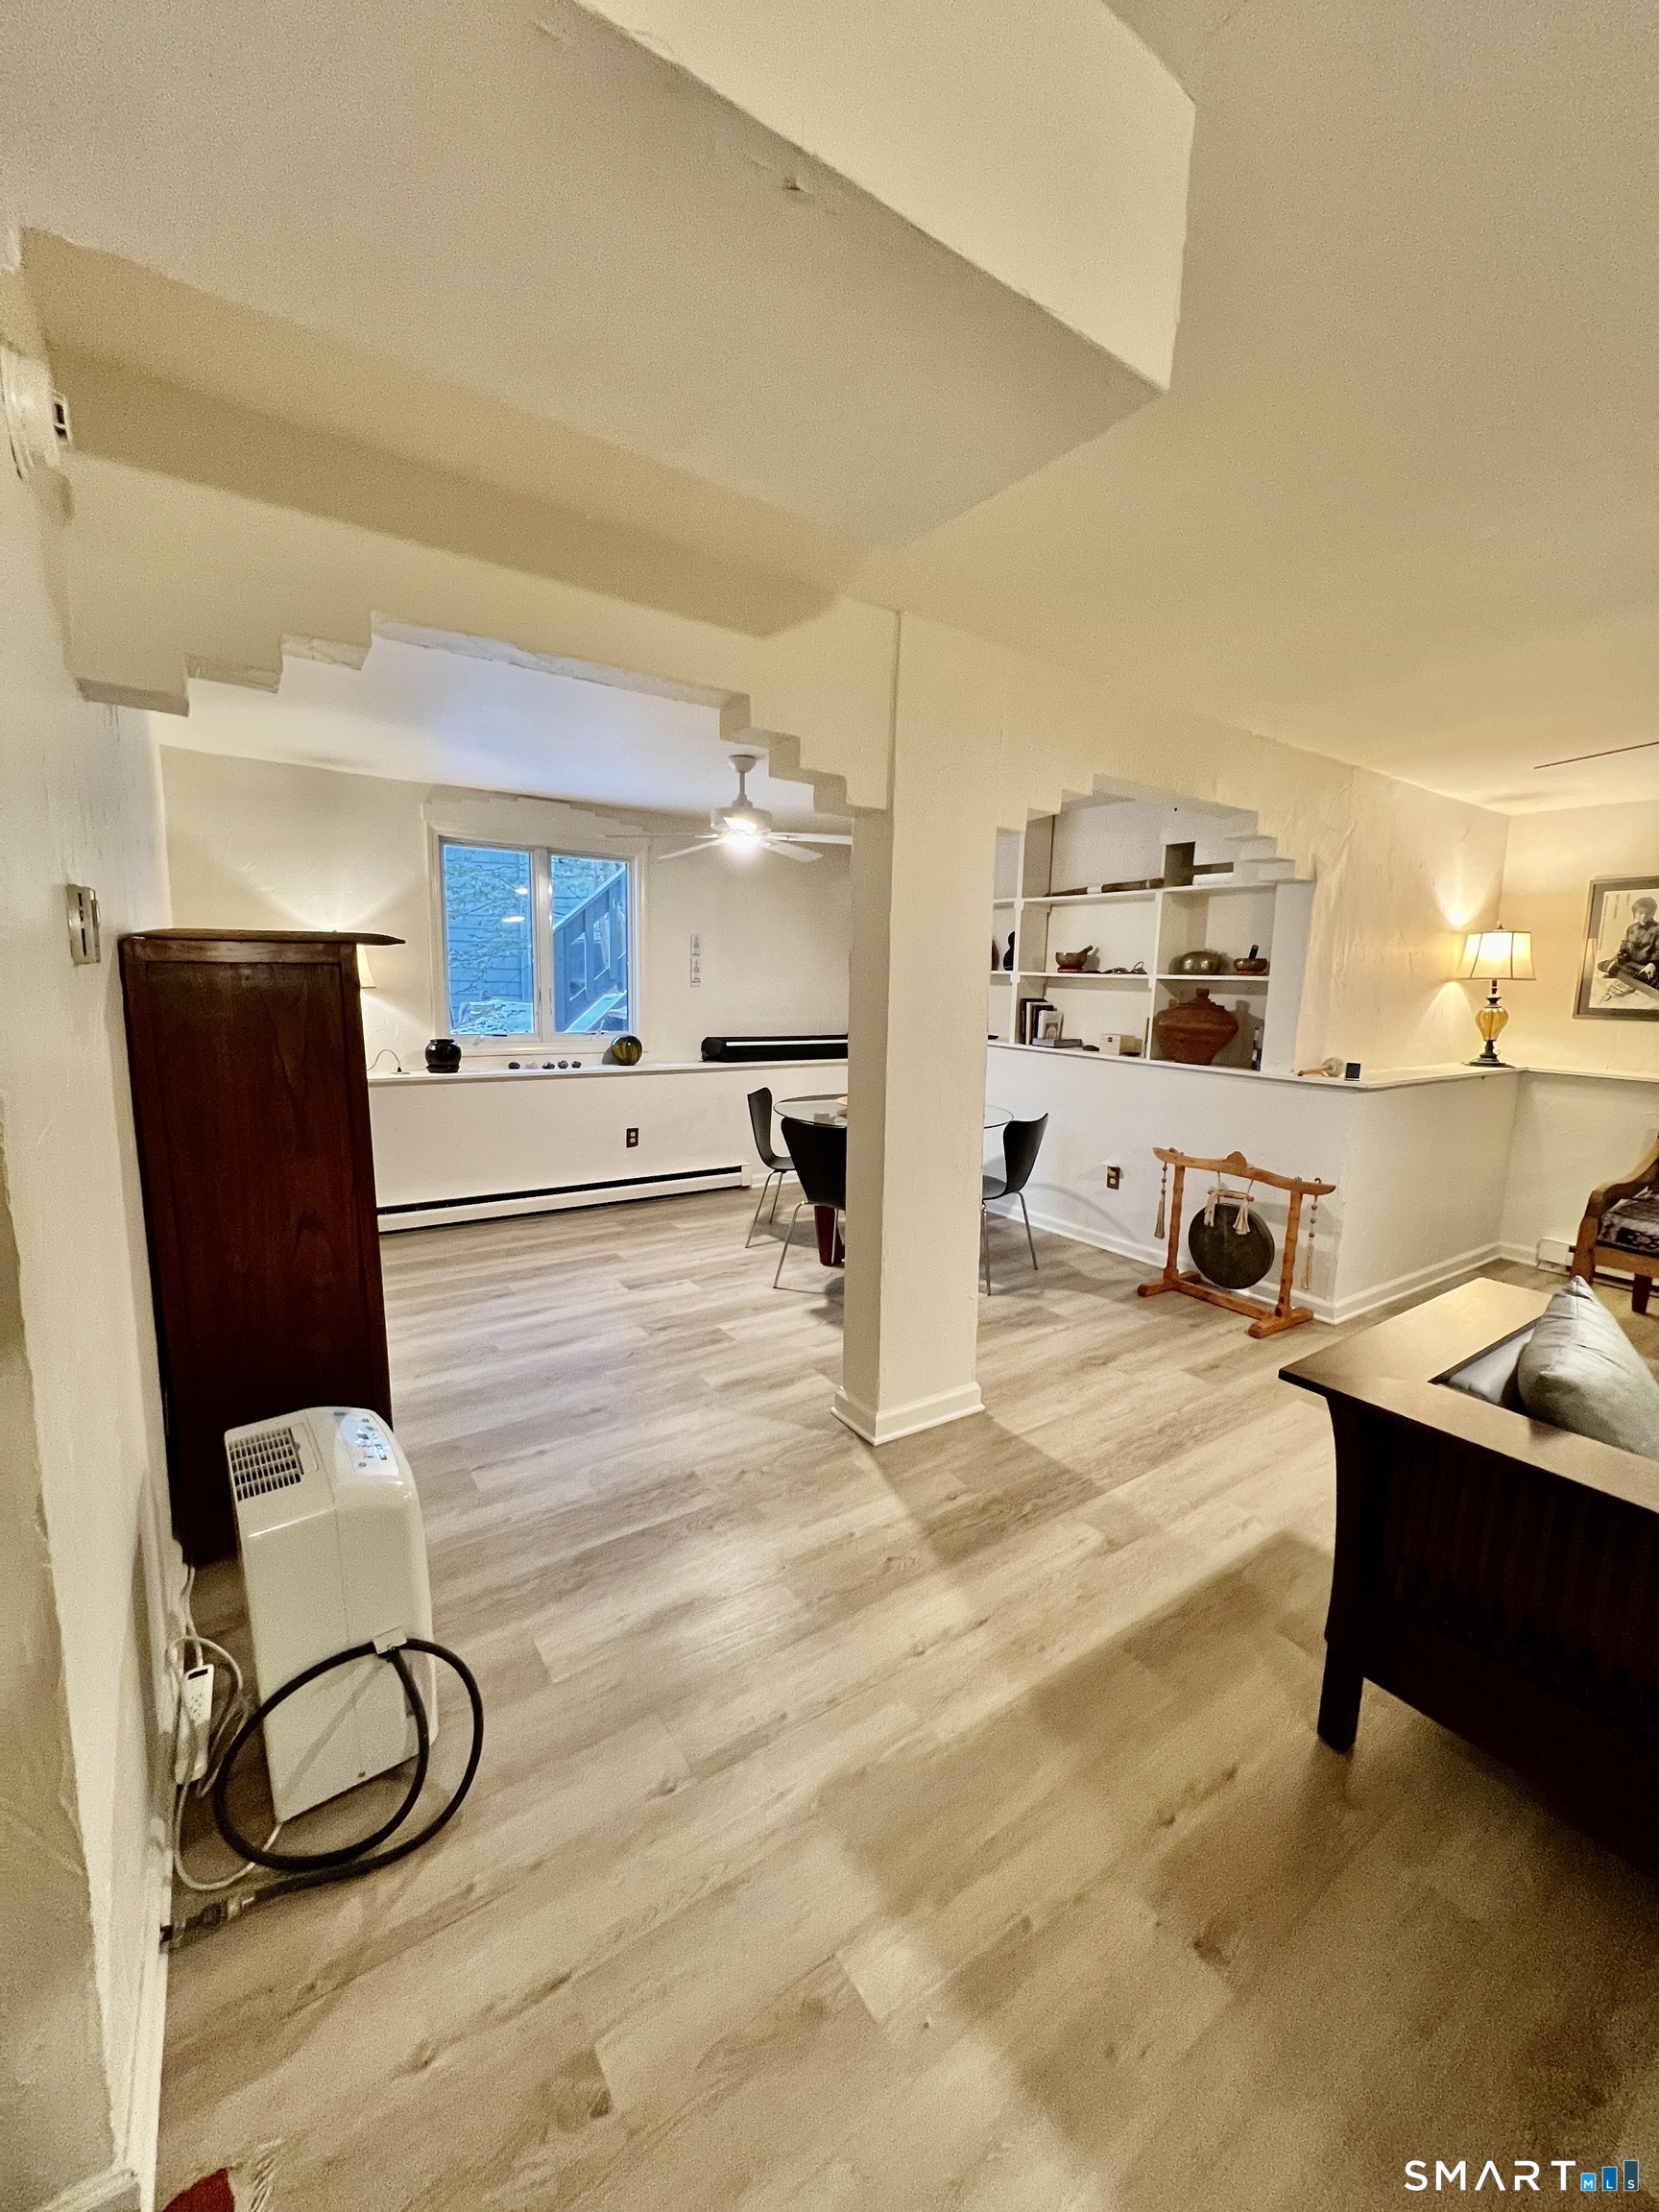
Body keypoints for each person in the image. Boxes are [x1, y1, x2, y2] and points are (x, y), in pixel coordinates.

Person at [1599, 895, 1659, 989]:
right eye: (1640, 913)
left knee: (1650, 980)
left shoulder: (1657, 929)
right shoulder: (1631, 928)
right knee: (1602, 965)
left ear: (1653, 913)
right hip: (1631, 963)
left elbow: (1658, 950)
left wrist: (1653, 964)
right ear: (1634, 912)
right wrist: (1622, 952)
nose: (1643, 917)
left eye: (1648, 913)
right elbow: (1625, 943)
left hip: (1648, 966)